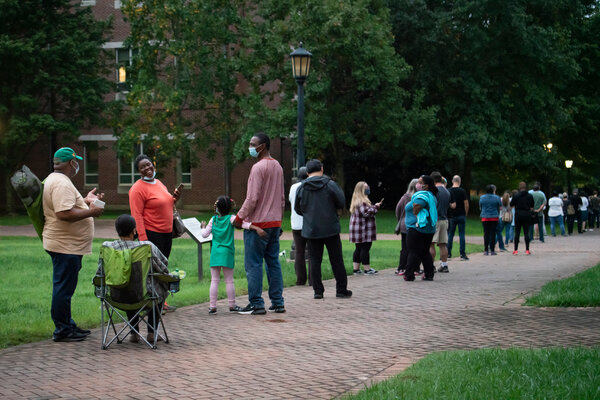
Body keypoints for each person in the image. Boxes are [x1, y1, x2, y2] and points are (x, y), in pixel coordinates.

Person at [43, 147, 104, 342]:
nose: (77, 165)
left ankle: (67, 325)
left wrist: (85, 201)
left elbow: (68, 206)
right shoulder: (61, 183)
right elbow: (64, 214)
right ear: (71, 163)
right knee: (63, 288)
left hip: (66, 245)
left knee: (65, 287)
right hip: (65, 246)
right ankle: (63, 330)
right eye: (76, 161)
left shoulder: (57, 180)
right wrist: (91, 212)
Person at [97, 214, 172, 343]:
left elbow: (100, 273)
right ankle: (151, 332)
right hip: (144, 297)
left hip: (116, 297)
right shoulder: (146, 247)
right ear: (134, 230)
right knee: (158, 287)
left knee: (126, 286)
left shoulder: (107, 248)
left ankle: (134, 333)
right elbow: (163, 266)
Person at [233, 133, 286, 315]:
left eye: (252, 144)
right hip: (274, 223)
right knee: (273, 262)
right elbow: (281, 197)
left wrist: (239, 218)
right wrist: (279, 221)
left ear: (262, 146)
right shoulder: (278, 166)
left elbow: (252, 198)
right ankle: (278, 302)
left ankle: (256, 303)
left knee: (254, 264)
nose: (250, 147)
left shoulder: (257, 168)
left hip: (258, 225)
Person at [129, 154, 182, 313]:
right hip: (152, 235)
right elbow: (136, 215)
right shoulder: (137, 189)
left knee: (163, 270)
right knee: (152, 271)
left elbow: (166, 203)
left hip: (166, 233)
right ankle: (150, 305)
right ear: (139, 171)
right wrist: (144, 241)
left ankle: (161, 303)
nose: (147, 168)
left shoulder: (158, 183)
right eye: (142, 167)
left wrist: (175, 198)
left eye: (149, 164)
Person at [294, 159, 352, 299]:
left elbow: (298, 208)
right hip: (330, 227)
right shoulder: (330, 185)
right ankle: (341, 289)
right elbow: (341, 202)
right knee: (336, 259)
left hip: (312, 229)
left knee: (314, 260)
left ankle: (318, 291)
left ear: (307, 172)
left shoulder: (301, 188)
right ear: (321, 168)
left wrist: (309, 215)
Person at [201, 196, 265, 315]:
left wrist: (203, 227)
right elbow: (245, 224)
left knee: (214, 280)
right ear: (230, 207)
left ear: (217, 208)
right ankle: (232, 305)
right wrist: (256, 228)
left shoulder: (213, 220)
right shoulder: (231, 219)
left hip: (215, 253)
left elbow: (204, 235)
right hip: (227, 252)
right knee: (229, 280)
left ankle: (212, 306)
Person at [403, 175, 438, 282]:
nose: (417, 184)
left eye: (419, 182)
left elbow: (417, 206)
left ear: (426, 186)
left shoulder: (422, 195)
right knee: (424, 252)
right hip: (428, 229)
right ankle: (429, 274)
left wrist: (415, 213)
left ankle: (409, 274)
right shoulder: (432, 196)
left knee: (413, 251)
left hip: (417, 228)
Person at [349, 181, 382, 275]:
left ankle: (356, 269)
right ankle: (367, 269)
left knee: (358, 248)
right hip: (363, 229)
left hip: (358, 228)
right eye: (366, 187)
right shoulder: (362, 201)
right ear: (361, 190)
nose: (368, 189)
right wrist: (376, 207)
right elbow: (366, 213)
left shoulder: (356, 200)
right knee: (365, 248)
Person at [289, 167, 311, 286]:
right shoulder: (308, 186)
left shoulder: (293, 187)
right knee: (312, 252)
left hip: (295, 224)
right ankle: (313, 279)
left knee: (299, 252)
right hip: (308, 223)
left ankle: (300, 279)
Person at [429, 172, 454, 273]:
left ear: (433, 180)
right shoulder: (447, 191)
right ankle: (444, 265)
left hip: (435, 220)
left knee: (431, 244)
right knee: (443, 244)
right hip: (445, 219)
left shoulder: (433, 191)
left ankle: (431, 266)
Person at [394, 179, 418, 275]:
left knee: (404, 247)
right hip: (416, 225)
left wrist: (401, 219)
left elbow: (398, 209)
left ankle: (401, 267)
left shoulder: (405, 197)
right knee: (415, 248)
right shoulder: (419, 198)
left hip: (404, 225)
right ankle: (415, 268)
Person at [447, 175, 469, 261]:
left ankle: (448, 254)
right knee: (462, 235)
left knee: (450, 235)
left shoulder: (448, 191)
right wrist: (465, 213)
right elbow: (466, 204)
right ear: (459, 181)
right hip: (461, 215)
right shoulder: (462, 191)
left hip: (451, 216)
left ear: (452, 181)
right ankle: (462, 254)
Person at [510, 182, 534, 255]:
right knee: (526, 232)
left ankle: (515, 250)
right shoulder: (529, 195)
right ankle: (527, 249)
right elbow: (532, 206)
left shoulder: (516, 195)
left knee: (517, 232)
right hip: (526, 214)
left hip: (518, 214)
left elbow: (511, 204)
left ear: (519, 187)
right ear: (525, 187)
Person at [479, 185, 502, 255]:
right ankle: (492, 250)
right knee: (493, 233)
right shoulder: (497, 197)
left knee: (486, 233)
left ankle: (486, 250)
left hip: (485, 217)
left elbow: (480, 206)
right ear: (493, 191)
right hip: (494, 217)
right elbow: (500, 207)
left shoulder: (482, 197)